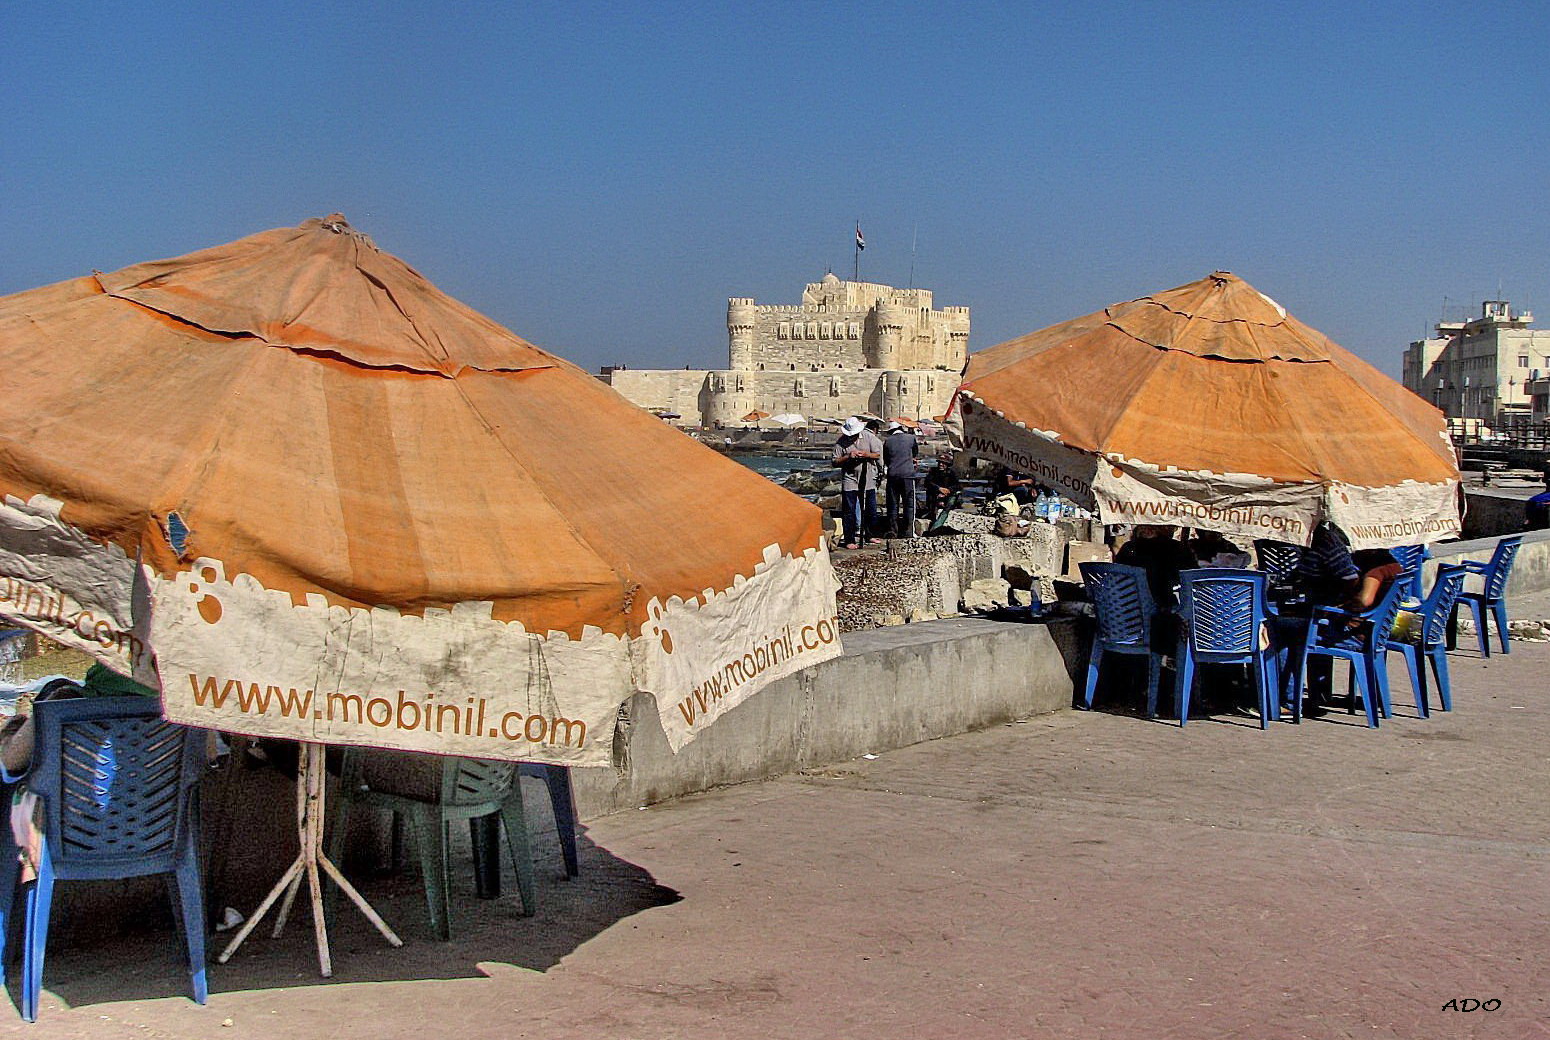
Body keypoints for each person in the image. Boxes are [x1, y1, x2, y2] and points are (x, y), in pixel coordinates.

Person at [1114, 525, 1196, 610]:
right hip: (1160, 605)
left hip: (1127, 605)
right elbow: (1188, 576)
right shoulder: (1173, 547)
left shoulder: (1128, 547)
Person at [832, 417, 881, 549]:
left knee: (870, 509)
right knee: (849, 510)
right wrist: (848, 456)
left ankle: (870, 535)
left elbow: (877, 455)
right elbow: (834, 461)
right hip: (850, 478)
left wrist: (866, 454)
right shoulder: (841, 442)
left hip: (867, 477)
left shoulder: (868, 437)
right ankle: (850, 539)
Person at [882, 421, 920, 538]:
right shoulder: (911, 438)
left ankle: (893, 531)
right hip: (907, 475)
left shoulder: (887, 442)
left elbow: (886, 459)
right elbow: (915, 454)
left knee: (893, 505)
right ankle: (909, 531)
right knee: (909, 504)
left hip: (893, 475)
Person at [862, 419, 886, 541]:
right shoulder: (875, 440)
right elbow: (879, 460)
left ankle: (857, 530)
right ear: (875, 430)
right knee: (871, 506)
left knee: (856, 504)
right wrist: (882, 472)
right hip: (870, 477)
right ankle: (870, 534)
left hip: (852, 479)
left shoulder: (857, 437)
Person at [1187, 529, 1251, 568]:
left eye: (1217, 532)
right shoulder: (1194, 546)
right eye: (1210, 531)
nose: (1215, 534)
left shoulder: (1228, 546)